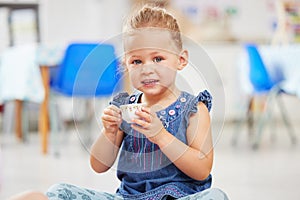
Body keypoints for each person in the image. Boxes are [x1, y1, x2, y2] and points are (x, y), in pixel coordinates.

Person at [8, 5, 228, 200]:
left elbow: (201, 169)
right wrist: (110, 132)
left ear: (181, 60)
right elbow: (98, 165)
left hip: (179, 197)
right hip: (128, 197)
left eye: (158, 58)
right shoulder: (123, 108)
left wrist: (161, 135)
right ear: (126, 64)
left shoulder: (193, 110)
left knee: (216, 197)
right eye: (136, 61)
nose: (147, 68)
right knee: (59, 190)